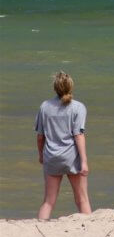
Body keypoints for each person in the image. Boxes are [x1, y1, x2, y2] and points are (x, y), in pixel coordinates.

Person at [35, 71, 92, 220]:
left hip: (52, 157)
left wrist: (41, 155)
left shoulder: (45, 107)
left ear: (55, 88)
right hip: (72, 158)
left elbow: (40, 137)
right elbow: (78, 135)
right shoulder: (78, 107)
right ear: (71, 87)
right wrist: (84, 162)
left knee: (48, 202)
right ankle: (89, 231)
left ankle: (40, 227)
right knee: (82, 199)